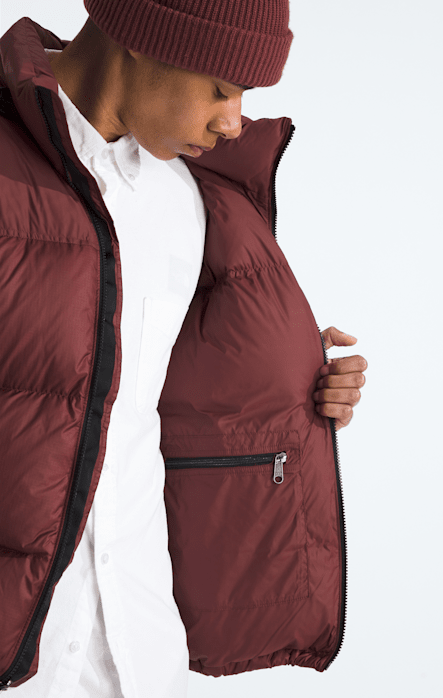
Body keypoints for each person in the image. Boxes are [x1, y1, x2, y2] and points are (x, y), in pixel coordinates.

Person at [0, 1, 367, 696]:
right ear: (142, 40)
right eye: (221, 89)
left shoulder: (185, 200)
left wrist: (290, 383)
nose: (234, 123)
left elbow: (165, 389)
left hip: (137, 656)